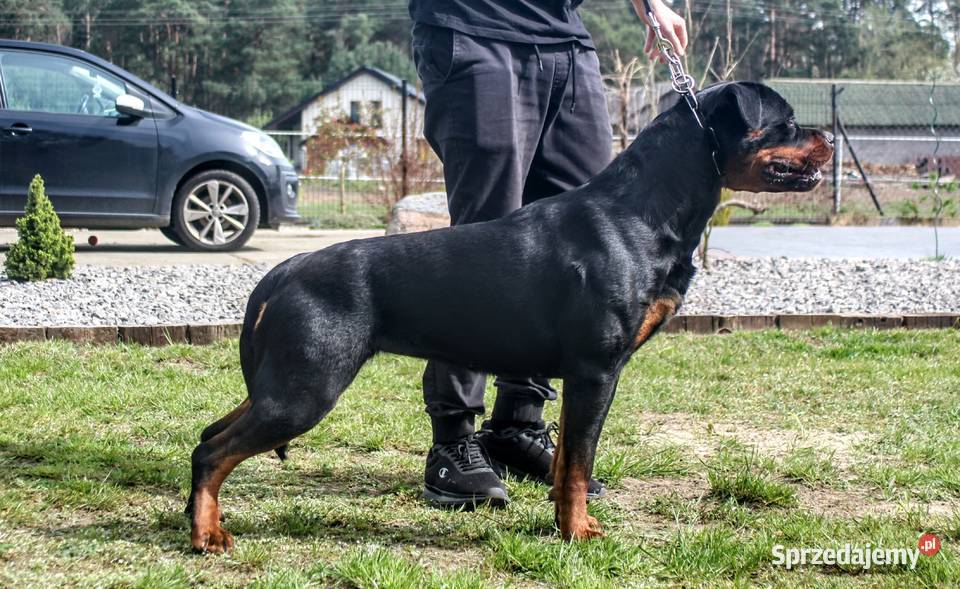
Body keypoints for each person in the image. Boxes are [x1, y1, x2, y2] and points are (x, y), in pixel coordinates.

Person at [409, 0, 689, 507]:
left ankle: (518, 424)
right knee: (483, 244)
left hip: (565, 41)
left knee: (580, 238)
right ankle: (453, 438)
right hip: (475, 28)